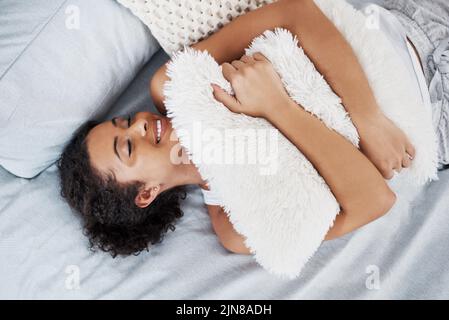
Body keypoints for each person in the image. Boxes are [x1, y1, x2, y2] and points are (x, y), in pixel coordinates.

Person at [57, 0, 447, 257]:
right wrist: (277, 107)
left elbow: (294, 13)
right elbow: (374, 202)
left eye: (125, 121)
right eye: (128, 148)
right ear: (146, 193)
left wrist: (368, 117)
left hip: (410, 23)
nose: (141, 124)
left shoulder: (177, 86)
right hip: (438, 121)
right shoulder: (235, 225)